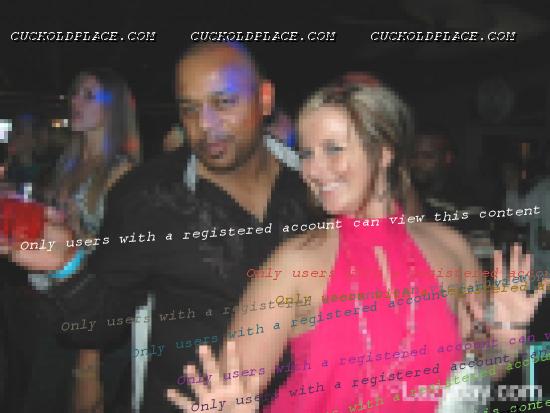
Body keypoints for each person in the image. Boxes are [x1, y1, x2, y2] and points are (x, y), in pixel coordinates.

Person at [167, 77, 548, 412]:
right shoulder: (293, 264)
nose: (314, 170)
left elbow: (472, 381)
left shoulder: (451, 249)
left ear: (385, 151)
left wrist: (503, 344)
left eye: (333, 149)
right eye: (306, 153)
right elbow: (231, 393)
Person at [13, 43, 314, 412]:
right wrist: (66, 267)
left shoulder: (316, 190)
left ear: (264, 99)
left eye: (223, 102)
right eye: (190, 108)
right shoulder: (146, 197)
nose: (205, 124)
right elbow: (102, 323)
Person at [2, 68, 140, 413]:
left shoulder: (122, 172)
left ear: (113, 108)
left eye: (89, 95)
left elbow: (124, 260)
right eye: (75, 93)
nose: (75, 100)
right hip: (53, 303)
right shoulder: (69, 163)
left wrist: (75, 236)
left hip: (95, 319)